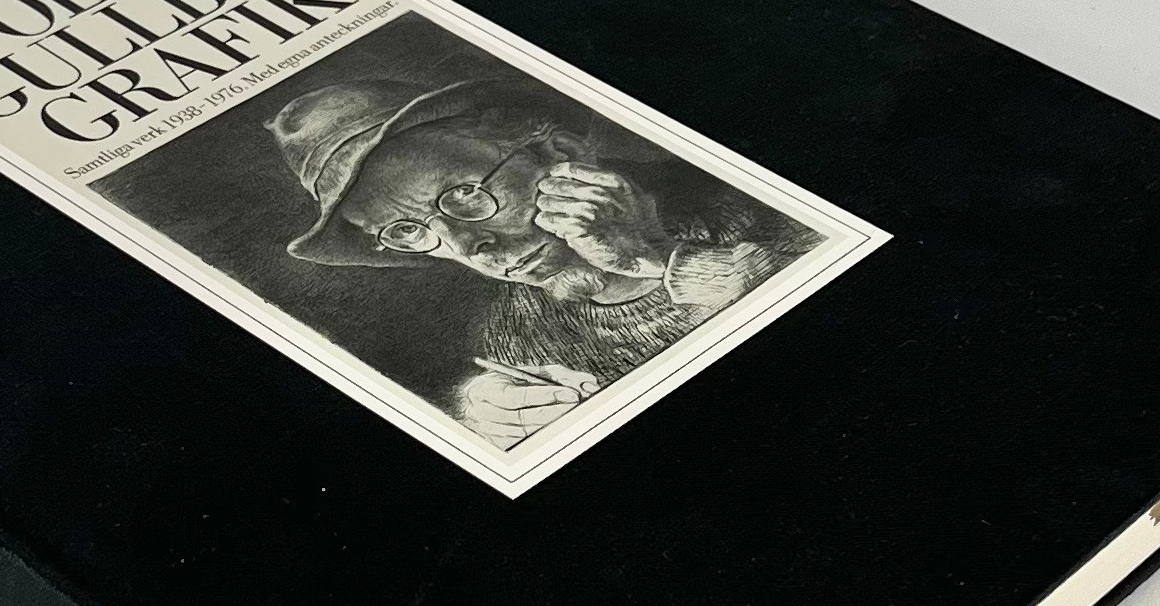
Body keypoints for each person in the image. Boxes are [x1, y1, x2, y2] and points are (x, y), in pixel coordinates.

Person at [268, 72, 820, 449]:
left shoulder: (753, 197)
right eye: (409, 231)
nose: (467, 248)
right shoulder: (516, 332)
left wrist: (658, 259)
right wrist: (488, 424)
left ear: (563, 154)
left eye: (465, 194)